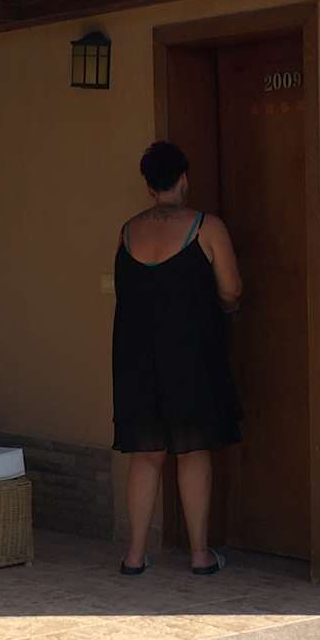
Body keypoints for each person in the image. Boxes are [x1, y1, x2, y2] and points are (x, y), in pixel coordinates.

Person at [113, 139, 243, 575]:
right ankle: (200, 555)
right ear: (184, 179)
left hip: (135, 357)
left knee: (145, 453)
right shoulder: (207, 227)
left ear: (149, 186)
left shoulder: (127, 231)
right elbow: (232, 289)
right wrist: (225, 309)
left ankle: (134, 556)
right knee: (193, 451)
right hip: (191, 355)